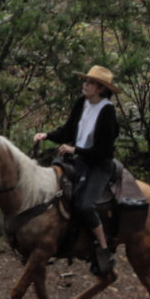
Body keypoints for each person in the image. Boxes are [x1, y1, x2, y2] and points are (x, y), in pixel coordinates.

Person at [33, 64, 120, 281]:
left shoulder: (107, 111)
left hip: (99, 164)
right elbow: (69, 130)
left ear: (101, 88)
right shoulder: (81, 103)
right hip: (79, 160)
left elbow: (103, 150)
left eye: (90, 82)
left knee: (85, 205)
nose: (86, 85)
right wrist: (48, 136)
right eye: (86, 81)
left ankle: (103, 248)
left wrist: (75, 150)